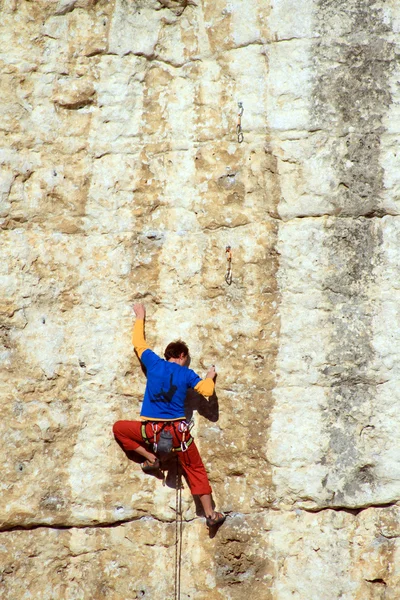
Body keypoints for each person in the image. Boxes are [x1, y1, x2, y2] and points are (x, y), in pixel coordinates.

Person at [113, 303, 225, 528]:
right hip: (178, 434)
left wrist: (140, 316)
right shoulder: (187, 373)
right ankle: (211, 514)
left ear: (168, 355)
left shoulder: (154, 363)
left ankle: (151, 458)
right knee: (195, 469)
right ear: (182, 356)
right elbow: (206, 391)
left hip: (151, 432)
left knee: (119, 428)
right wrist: (210, 376)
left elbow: (138, 344)